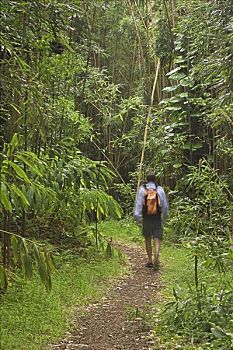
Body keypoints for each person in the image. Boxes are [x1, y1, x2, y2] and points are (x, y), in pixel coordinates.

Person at [134, 173, 169, 269]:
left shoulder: (142, 190)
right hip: (157, 218)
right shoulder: (160, 190)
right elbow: (164, 206)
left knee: (148, 238)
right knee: (157, 238)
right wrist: (165, 216)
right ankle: (156, 256)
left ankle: (150, 260)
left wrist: (137, 217)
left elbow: (138, 205)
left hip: (146, 218)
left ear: (146, 179)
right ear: (155, 180)